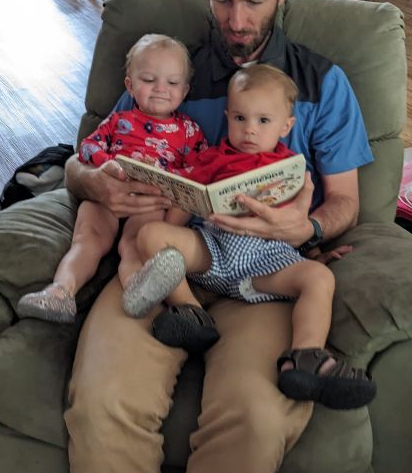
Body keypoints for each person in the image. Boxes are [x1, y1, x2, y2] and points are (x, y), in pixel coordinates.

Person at [63, 0, 373, 473]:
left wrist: (308, 221)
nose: (237, 21)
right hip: (162, 260)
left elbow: (350, 203)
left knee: (255, 422)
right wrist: (95, 182)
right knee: (103, 403)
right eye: (223, 0)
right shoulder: (166, 71)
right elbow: (81, 162)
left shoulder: (323, 85)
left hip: (264, 273)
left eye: (254, 2)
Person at [122, 63, 376, 408]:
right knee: (152, 234)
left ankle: (306, 357)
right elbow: (185, 200)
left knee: (319, 278)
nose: (249, 131)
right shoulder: (211, 159)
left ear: (287, 126)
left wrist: (313, 252)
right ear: (227, 117)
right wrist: (170, 234)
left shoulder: (292, 169)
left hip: (267, 262)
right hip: (213, 251)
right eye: (240, 119)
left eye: (263, 121)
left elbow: (299, 225)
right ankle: (192, 314)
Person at [17, 34, 206, 323]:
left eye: (172, 83)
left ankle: (136, 291)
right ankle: (60, 292)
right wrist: (111, 166)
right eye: (148, 80)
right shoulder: (119, 121)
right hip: (106, 192)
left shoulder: (189, 131)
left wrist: (163, 177)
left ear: (185, 90)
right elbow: (88, 147)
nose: (160, 89)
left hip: (149, 202)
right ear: (130, 86)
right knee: (86, 240)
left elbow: (197, 170)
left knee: (132, 245)